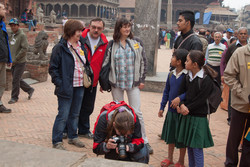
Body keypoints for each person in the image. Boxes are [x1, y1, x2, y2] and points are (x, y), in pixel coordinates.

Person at [100, 17, 153, 154]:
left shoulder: (136, 43)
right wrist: (103, 82)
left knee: (136, 112)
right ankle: (119, 139)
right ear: (118, 28)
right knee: (118, 112)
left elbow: (143, 61)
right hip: (117, 83)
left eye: (129, 26)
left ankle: (144, 141)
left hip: (132, 82)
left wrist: (141, 79)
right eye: (124, 27)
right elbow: (105, 64)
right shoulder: (112, 44)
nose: (127, 29)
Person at [49, 19, 88, 150]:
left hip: (79, 86)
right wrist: (60, 83)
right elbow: (53, 69)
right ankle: (57, 140)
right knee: (63, 114)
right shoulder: (60, 48)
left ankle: (73, 136)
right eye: (78, 31)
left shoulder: (81, 46)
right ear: (71, 31)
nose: (80, 33)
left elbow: (85, 63)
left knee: (75, 113)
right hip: (66, 86)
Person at [177, 50, 215, 167]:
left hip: (199, 118)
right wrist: (182, 104)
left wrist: (186, 108)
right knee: (189, 145)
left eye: (187, 60)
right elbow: (182, 92)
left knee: (197, 148)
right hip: (188, 115)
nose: (185, 62)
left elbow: (201, 100)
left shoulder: (206, 79)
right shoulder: (187, 76)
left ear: (195, 64)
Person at [77, 18, 108, 139]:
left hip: (93, 81)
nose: (96, 30)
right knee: (75, 106)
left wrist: (103, 83)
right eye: (94, 27)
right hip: (78, 79)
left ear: (103, 29)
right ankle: (68, 128)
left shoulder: (105, 43)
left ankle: (84, 129)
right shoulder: (80, 37)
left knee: (88, 107)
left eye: (99, 28)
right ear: (89, 26)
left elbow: (104, 64)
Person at [159, 49, 188, 167]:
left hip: (181, 112)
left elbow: (189, 92)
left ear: (179, 61)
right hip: (171, 111)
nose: (171, 59)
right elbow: (166, 91)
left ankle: (181, 160)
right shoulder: (171, 74)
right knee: (170, 135)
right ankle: (169, 158)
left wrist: (180, 98)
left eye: (173, 57)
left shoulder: (187, 76)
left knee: (181, 137)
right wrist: (162, 107)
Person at [224, 43, 250, 167]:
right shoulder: (240, 53)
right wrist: (242, 93)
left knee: (249, 139)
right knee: (234, 138)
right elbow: (228, 76)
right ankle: (230, 163)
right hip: (240, 104)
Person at [220, 27, 248, 125]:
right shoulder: (232, 47)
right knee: (233, 97)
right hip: (235, 77)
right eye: (241, 34)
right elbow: (226, 60)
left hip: (246, 77)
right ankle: (231, 118)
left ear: (248, 35)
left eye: (245, 34)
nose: (243, 35)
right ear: (237, 35)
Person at [8, 18, 34, 104]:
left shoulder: (22, 35)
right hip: (13, 61)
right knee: (17, 79)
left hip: (20, 62)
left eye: (14, 25)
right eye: (11, 26)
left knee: (15, 79)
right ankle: (29, 89)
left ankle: (14, 97)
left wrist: (16, 58)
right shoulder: (11, 35)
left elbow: (24, 48)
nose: (13, 27)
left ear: (18, 26)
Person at [0, 3, 12, 113]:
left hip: (2, 59)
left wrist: (9, 58)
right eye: (3, 9)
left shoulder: (2, 24)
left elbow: (6, 43)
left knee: (2, 83)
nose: (5, 11)